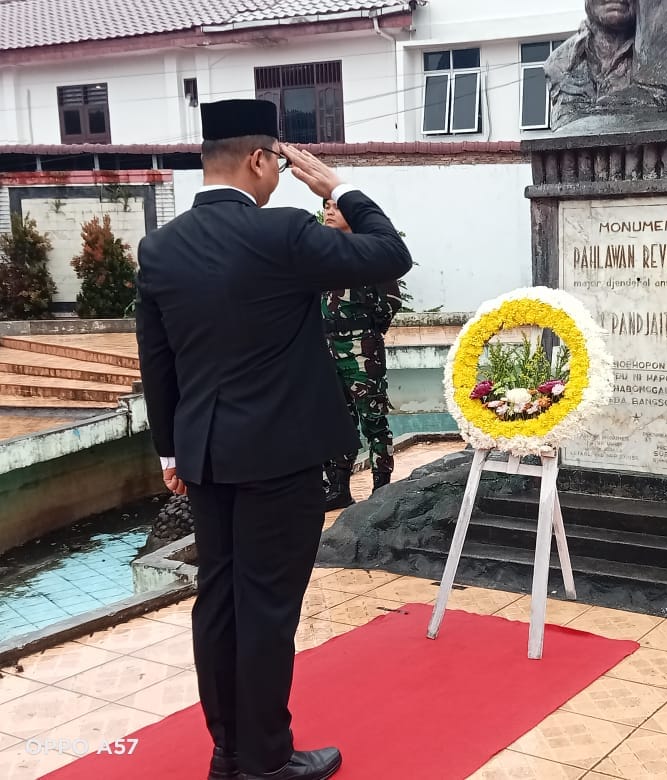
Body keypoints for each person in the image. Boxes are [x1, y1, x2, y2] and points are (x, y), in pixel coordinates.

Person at [135, 99, 411, 780]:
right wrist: (336, 186)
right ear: (260, 159)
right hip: (278, 456)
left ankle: (229, 751)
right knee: (266, 608)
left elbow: (157, 359)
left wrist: (170, 451)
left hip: (203, 454)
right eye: (278, 165)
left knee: (220, 601)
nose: (280, 179)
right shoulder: (282, 234)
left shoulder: (159, 247)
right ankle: (264, 758)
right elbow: (391, 254)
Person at [320, 198, 402, 510]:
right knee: (336, 420)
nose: (328, 211)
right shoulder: (323, 251)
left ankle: (381, 489)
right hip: (326, 347)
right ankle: (339, 487)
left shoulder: (370, 251)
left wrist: (369, 329)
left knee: (373, 418)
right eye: (325, 206)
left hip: (361, 349)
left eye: (335, 207)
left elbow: (391, 299)